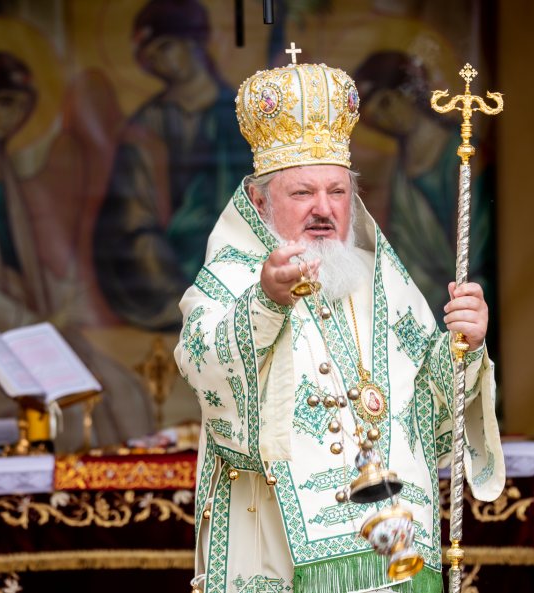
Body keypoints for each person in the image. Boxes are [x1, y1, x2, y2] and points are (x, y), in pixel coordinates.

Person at [175, 57, 504, 592]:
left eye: (337, 192)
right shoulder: (233, 277)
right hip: (280, 552)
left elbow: (430, 416)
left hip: (393, 548)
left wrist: (463, 345)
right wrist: (266, 302)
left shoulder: (385, 282)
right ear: (259, 200)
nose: (323, 209)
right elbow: (204, 369)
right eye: (302, 193)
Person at [0, 51, 154, 451]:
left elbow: (23, 261)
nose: (13, 116)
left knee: (121, 386)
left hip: (21, 327)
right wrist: (33, 320)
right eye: (4, 103)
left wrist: (55, 303)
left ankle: (136, 484)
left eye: (21, 106)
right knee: (70, 405)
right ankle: (73, 490)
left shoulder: (1, 167)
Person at [94, 0, 253, 330]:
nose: (158, 61)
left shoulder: (244, 115)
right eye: (149, 56)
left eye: (165, 47)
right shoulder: (145, 126)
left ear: (194, 41)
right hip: (170, 270)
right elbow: (131, 217)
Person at [353, 51, 496, 326]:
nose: (385, 118)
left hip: (470, 300)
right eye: (374, 118)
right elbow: (406, 251)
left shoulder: (463, 154)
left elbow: (479, 245)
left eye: (386, 102)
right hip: (428, 304)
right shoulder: (400, 172)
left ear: (408, 91)